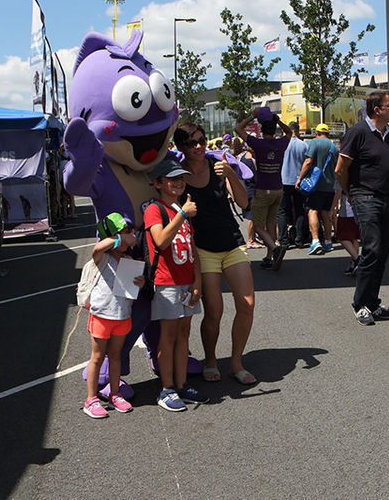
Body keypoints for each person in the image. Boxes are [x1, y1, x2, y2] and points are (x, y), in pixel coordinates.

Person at [174, 123, 260, 386]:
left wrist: (232, 175)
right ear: (181, 147)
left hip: (231, 243)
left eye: (201, 140)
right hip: (203, 249)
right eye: (191, 143)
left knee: (247, 305)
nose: (199, 146)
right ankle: (210, 360)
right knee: (214, 310)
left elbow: (244, 204)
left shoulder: (219, 166)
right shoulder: (178, 176)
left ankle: (236, 363)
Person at [144, 159, 209, 412]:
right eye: (172, 178)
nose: (179, 182)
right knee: (168, 337)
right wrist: (182, 214)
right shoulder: (155, 209)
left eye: (181, 177)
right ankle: (166, 388)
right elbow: (160, 241)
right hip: (166, 283)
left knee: (184, 335)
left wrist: (197, 280)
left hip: (186, 282)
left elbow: (191, 249)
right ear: (158, 183)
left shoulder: (180, 209)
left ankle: (182, 384)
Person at [336, 90, 389, 326]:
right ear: (377, 110)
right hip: (364, 196)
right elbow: (340, 169)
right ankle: (360, 304)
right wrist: (350, 193)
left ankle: (373, 303)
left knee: (382, 253)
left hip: (386, 199)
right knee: (371, 249)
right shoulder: (358, 132)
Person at [82, 213, 144, 418]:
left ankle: (115, 393)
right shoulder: (103, 257)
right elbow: (97, 248)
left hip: (122, 315)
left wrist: (140, 283)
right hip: (101, 314)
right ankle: (90, 399)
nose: (128, 236)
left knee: (116, 356)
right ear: (110, 236)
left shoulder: (128, 260)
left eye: (128, 231)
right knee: (97, 357)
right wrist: (121, 238)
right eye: (122, 232)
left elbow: (133, 287)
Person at [235, 107, 293, 271]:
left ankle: (275, 249)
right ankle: (269, 257)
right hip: (278, 189)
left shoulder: (258, 144)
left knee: (259, 226)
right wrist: (278, 120)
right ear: (274, 130)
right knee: (270, 223)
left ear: (261, 130)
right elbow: (289, 132)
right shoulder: (281, 143)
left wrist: (251, 117)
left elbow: (238, 129)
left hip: (263, 189)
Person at [298, 123, 338, 255]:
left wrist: (300, 178)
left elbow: (308, 161)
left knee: (312, 211)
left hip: (317, 184)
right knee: (326, 213)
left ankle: (315, 241)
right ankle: (327, 241)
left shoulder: (315, 142)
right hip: (330, 186)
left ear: (317, 133)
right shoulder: (335, 147)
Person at [279, 122, 312, 249]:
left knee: (281, 211)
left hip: (283, 181)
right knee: (299, 210)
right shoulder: (304, 145)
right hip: (298, 181)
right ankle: (299, 238)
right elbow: (307, 163)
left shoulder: (282, 144)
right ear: (297, 131)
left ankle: (283, 240)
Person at [335, 193, 361, 276]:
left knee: (342, 236)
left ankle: (357, 260)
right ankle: (353, 264)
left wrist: (333, 208)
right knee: (353, 237)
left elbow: (338, 191)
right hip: (357, 204)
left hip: (347, 208)